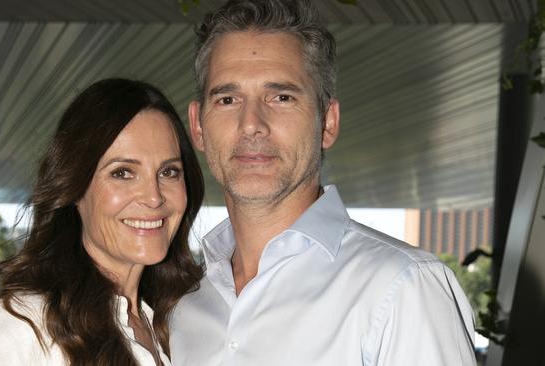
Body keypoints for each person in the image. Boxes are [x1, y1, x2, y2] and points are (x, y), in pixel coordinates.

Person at [168, 1, 477, 365]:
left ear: (327, 122)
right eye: (228, 99)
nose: (251, 123)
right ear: (198, 126)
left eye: (281, 97)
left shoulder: (403, 289)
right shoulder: (180, 305)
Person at [0, 78, 205, 366]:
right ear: (74, 187)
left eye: (169, 172)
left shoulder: (178, 326)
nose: (154, 197)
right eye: (122, 173)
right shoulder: (22, 328)